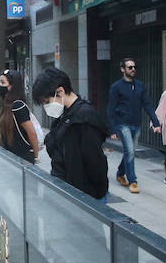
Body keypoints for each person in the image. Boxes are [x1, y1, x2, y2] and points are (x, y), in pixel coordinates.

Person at [31, 67, 109, 201]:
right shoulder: (65, 114)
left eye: (47, 102)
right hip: (67, 191)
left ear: (60, 91)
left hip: (84, 196)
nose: (46, 107)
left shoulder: (84, 117)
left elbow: (96, 163)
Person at [107, 58, 162, 194]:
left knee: (128, 151)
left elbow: (147, 104)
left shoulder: (140, 86)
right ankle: (133, 181)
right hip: (122, 124)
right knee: (130, 151)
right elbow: (110, 109)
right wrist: (113, 129)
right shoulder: (116, 87)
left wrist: (156, 122)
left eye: (134, 67)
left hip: (136, 124)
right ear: (123, 69)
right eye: (130, 67)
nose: (133, 69)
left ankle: (120, 173)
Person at [0, 70, 38, 163]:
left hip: (22, 157)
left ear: (13, 86)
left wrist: (36, 156)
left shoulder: (18, 106)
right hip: (11, 155)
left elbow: (32, 133)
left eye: (2, 82)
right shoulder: (6, 105)